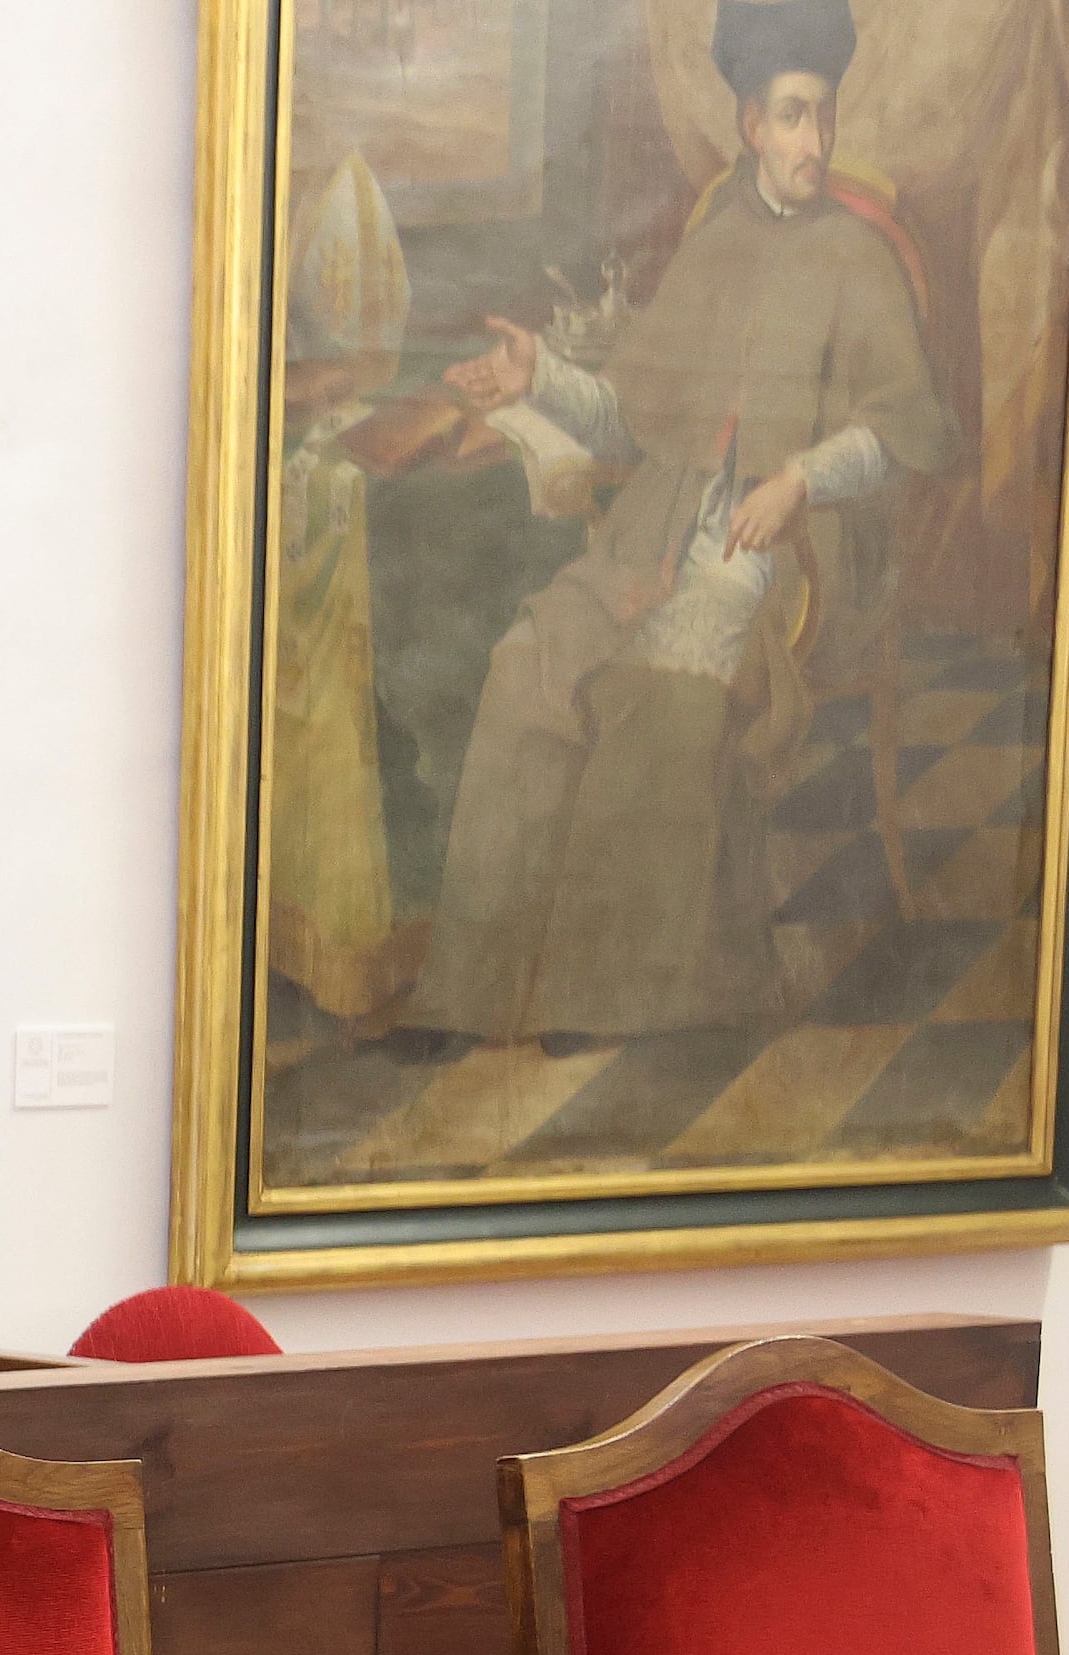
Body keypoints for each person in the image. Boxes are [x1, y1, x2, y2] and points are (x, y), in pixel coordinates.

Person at [403, 0, 951, 1050]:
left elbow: (907, 429)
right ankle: (472, 996)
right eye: (791, 118)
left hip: (788, 555)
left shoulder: (860, 257)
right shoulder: (712, 243)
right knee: (526, 666)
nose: (812, 143)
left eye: (822, 118)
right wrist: (540, 377)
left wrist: (797, 477)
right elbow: (632, 412)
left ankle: (607, 1000)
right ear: (748, 123)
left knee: (659, 693)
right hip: (658, 531)